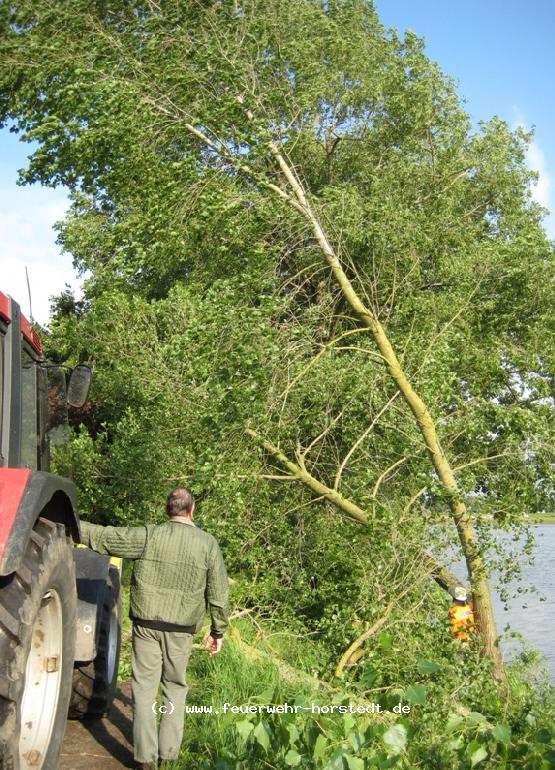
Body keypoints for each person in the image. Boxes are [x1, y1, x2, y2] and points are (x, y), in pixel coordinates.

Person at [79, 487, 229, 770]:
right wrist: (217, 631)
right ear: (192, 510)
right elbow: (219, 595)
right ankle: (168, 754)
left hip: (146, 625)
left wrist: (71, 522)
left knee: (145, 689)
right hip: (182, 630)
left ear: (167, 509)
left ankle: (145, 758)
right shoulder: (208, 544)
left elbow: (107, 537)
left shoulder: (149, 535)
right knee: (174, 687)